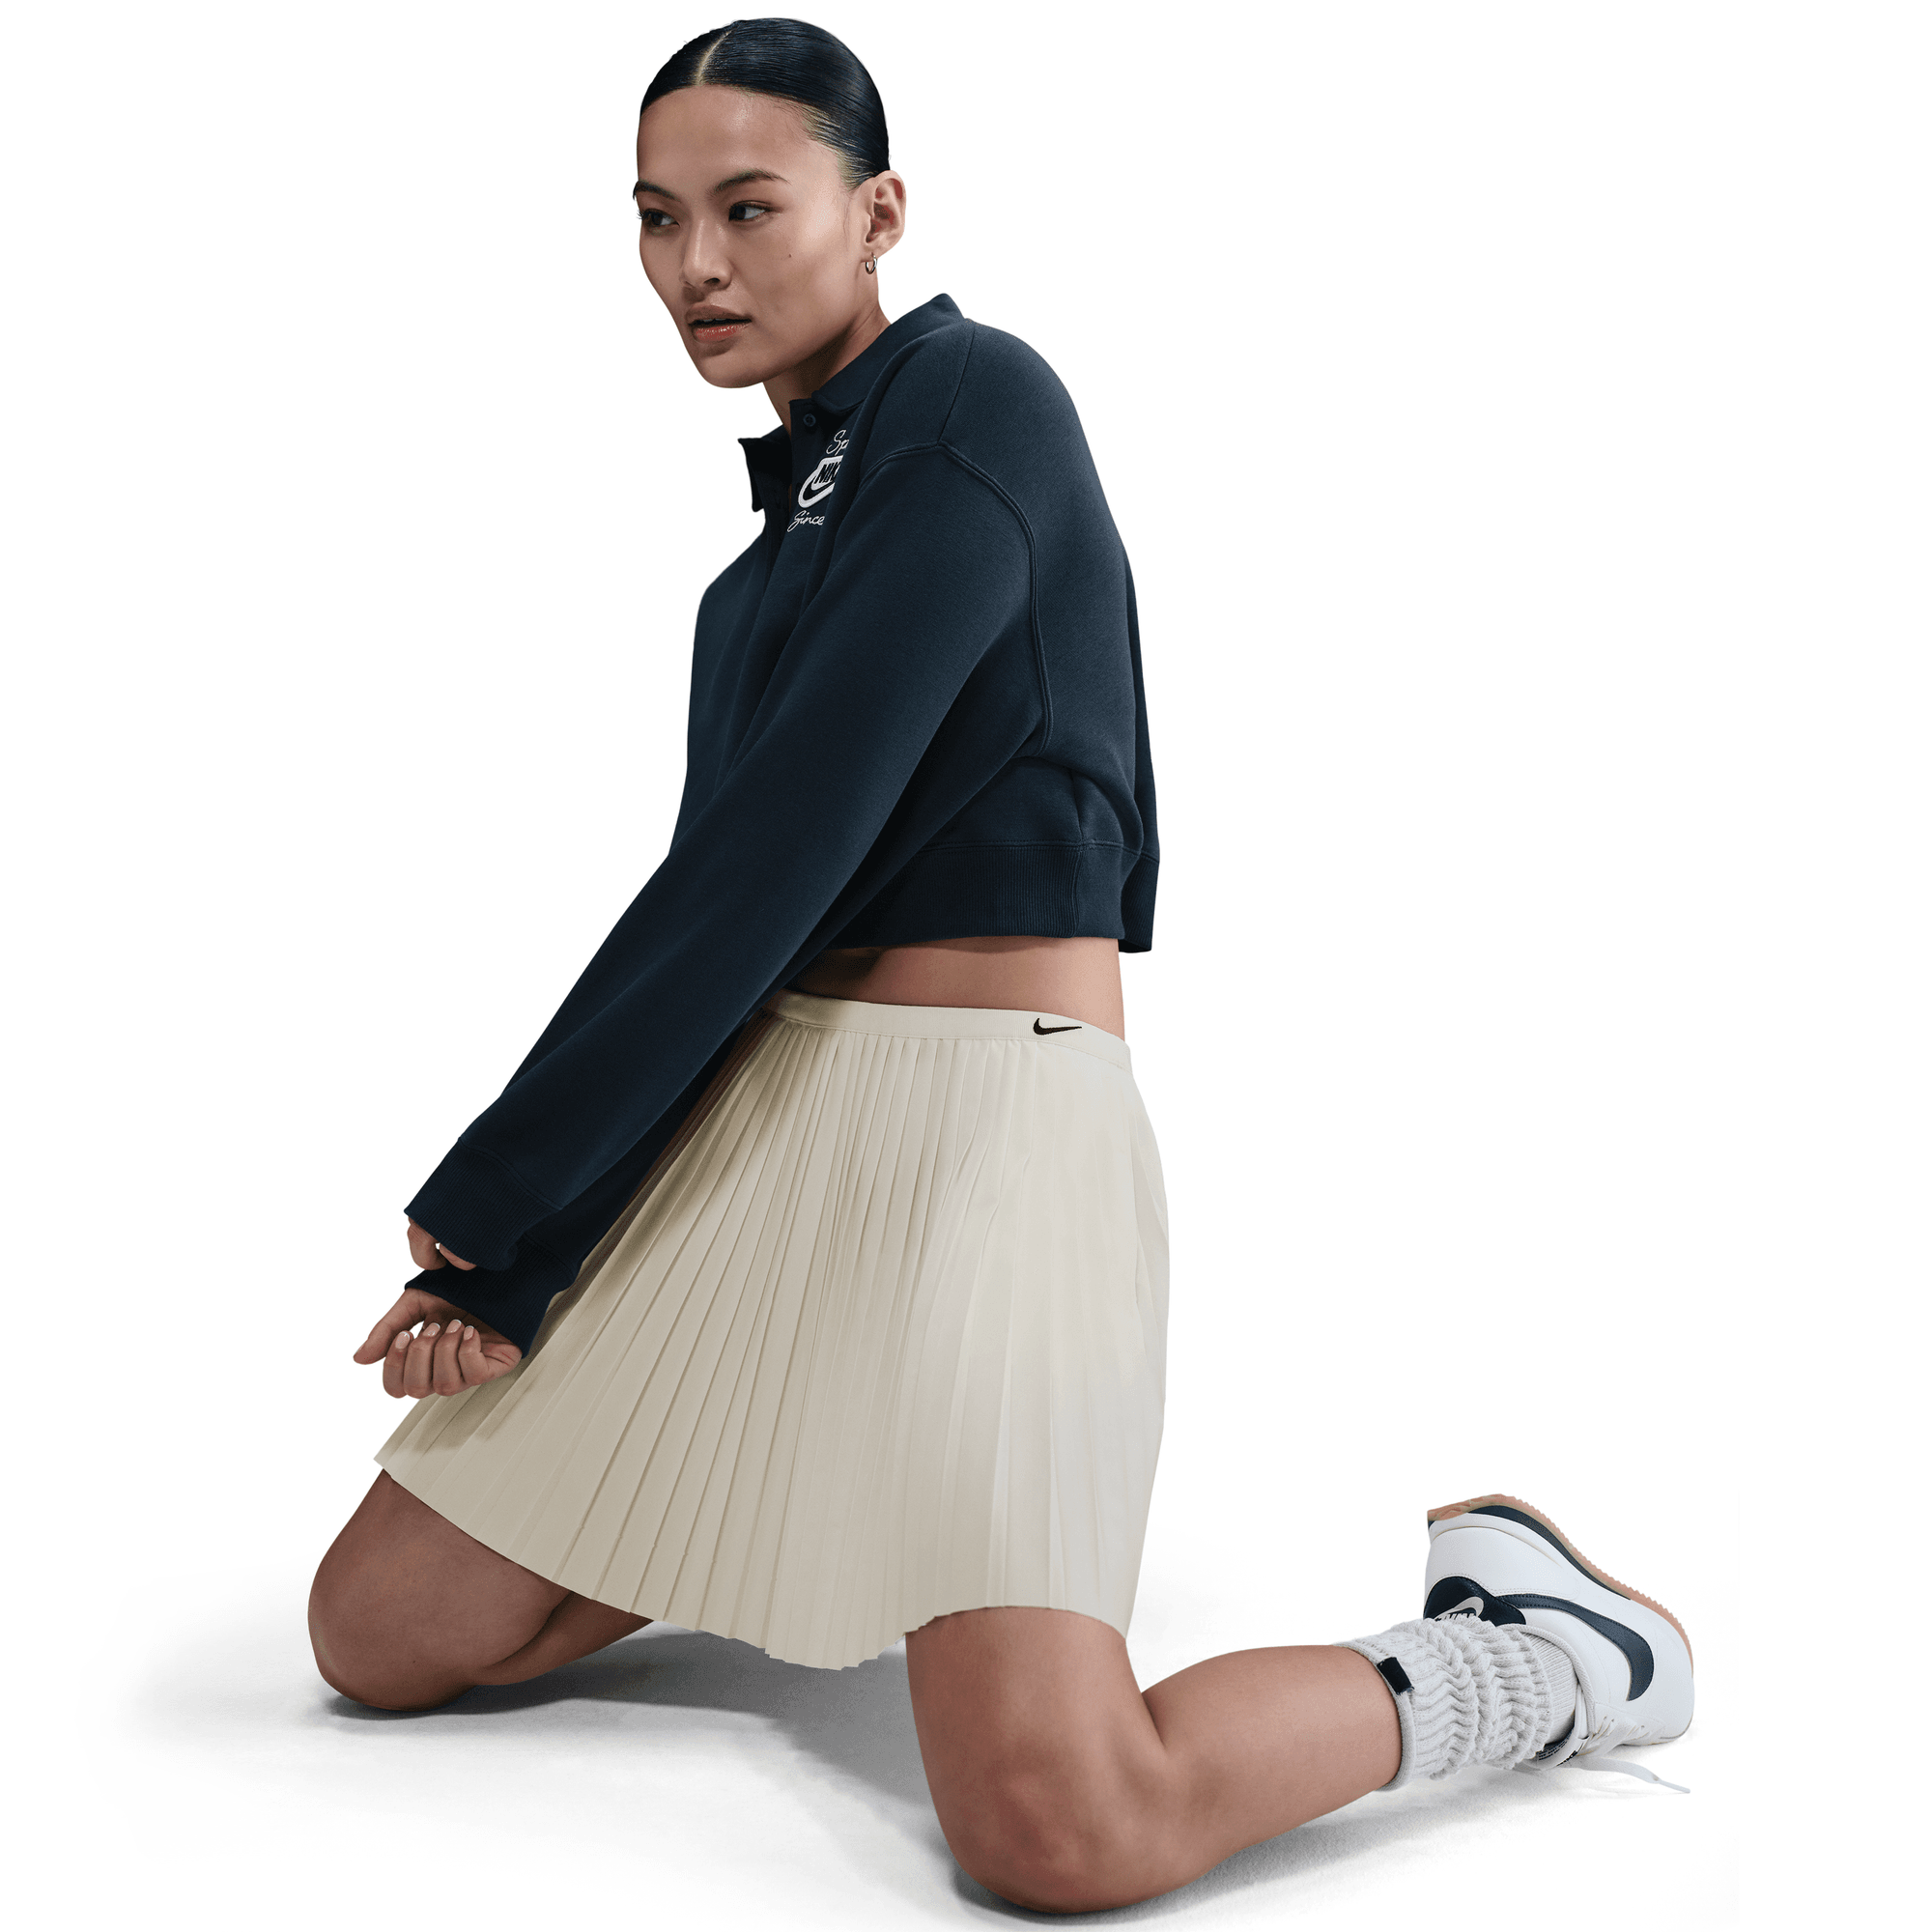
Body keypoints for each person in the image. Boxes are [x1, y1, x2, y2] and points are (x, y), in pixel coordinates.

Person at [307, 17, 1693, 1913]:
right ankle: (857, 1503)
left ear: (877, 213)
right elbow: (743, 920)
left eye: (747, 208)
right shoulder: (765, 561)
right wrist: (545, 1263)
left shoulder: (973, 406)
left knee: (1062, 1831)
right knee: (380, 1632)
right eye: (654, 218)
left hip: (989, 1142)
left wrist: (503, 1217)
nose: (695, 263)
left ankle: (1536, 1655)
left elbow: (767, 861)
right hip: (767, 1129)